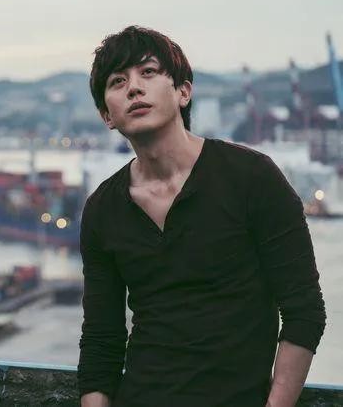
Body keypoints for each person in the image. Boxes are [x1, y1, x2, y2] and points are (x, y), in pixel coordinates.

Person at [77, 26, 326, 407]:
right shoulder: (102, 210)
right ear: (106, 115)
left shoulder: (252, 178)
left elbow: (304, 311)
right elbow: (101, 339)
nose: (134, 88)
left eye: (148, 72)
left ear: (183, 91)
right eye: (118, 81)